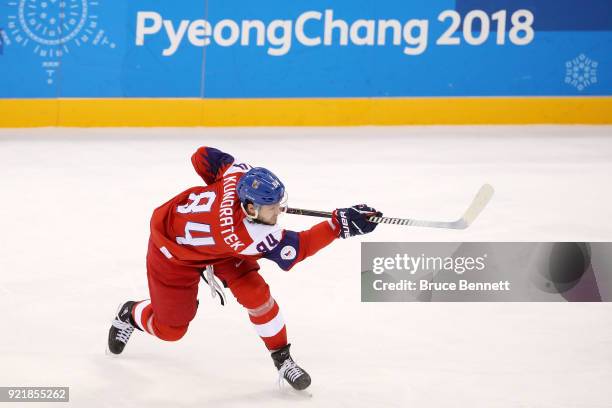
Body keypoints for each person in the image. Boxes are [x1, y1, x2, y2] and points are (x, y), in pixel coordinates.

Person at [107, 146, 381, 390]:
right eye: (272, 208)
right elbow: (298, 250)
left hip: (218, 245)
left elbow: (201, 156)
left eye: (278, 204)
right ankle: (130, 313)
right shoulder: (247, 235)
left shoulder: (239, 177)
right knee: (171, 330)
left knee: (256, 296)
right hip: (173, 252)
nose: (278, 213)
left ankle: (282, 359)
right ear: (250, 207)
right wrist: (337, 226)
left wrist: (218, 191)